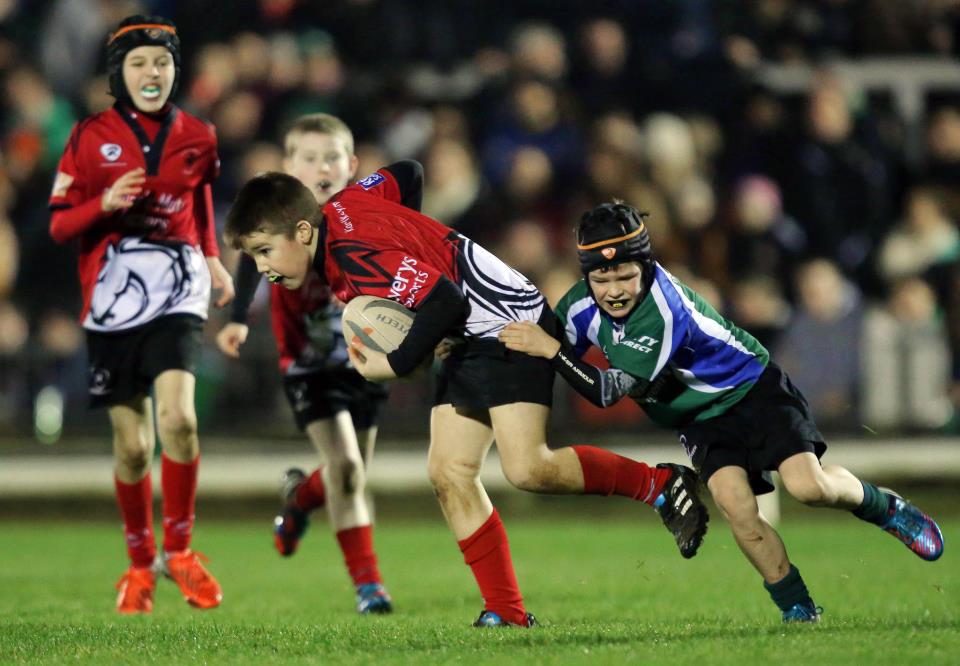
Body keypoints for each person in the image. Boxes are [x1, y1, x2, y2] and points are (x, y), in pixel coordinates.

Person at [222, 162, 710, 628]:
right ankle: (507, 611)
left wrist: (394, 362)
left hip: (507, 325)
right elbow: (408, 173)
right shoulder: (347, 201)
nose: (262, 266)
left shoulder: (354, 255)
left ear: (303, 232)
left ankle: (659, 484)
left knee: (528, 468)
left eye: (264, 250)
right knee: (449, 472)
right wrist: (417, 247)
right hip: (465, 335)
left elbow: (445, 299)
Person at [498, 201, 946, 624]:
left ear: (646, 266)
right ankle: (799, 610)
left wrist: (551, 350)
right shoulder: (576, 305)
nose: (614, 291)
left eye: (625, 276)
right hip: (699, 418)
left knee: (809, 487)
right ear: (587, 276)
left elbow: (606, 390)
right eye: (602, 280)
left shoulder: (663, 309)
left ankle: (886, 508)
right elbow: (547, 356)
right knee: (737, 508)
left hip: (752, 389)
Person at [48, 15, 235, 614]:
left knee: (178, 420)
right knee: (132, 448)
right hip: (112, 295)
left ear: (175, 69)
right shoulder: (87, 137)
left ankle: (180, 551)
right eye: (139, 63)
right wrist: (102, 204)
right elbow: (58, 224)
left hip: (178, 288)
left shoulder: (199, 135)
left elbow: (200, 199)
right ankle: (139, 565)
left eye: (161, 62)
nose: (152, 73)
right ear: (118, 73)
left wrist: (212, 258)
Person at [215, 114, 392, 614]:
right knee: (347, 467)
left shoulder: (364, 215)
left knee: (351, 474)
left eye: (332, 157)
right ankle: (369, 587)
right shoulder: (281, 214)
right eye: (309, 158)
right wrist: (237, 318)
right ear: (289, 165)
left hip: (367, 360)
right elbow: (251, 255)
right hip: (309, 361)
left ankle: (299, 500)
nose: (321, 167)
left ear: (351, 165)